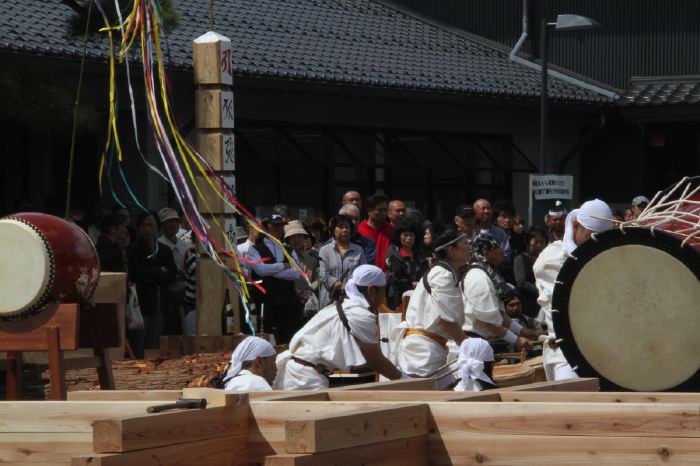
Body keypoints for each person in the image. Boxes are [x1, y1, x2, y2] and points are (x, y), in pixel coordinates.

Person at [274, 265, 403, 390]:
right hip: (303, 380)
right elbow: (376, 361)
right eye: (382, 290)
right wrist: (406, 380)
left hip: (299, 373)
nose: (383, 297)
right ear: (371, 290)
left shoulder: (343, 305)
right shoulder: (360, 314)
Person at [533, 199, 613, 381]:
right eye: (592, 236)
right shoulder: (551, 259)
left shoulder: (610, 257)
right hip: (565, 354)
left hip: (604, 352)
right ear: (576, 226)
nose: (597, 243)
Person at [393, 229, 470, 377]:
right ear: (452, 250)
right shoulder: (442, 274)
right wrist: (467, 345)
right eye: (465, 243)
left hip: (430, 347)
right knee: (425, 394)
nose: (469, 247)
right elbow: (446, 319)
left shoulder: (445, 272)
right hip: (423, 351)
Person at [461, 233, 534, 352]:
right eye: (497, 247)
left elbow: (497, 315)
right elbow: (488, 321)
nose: (502, 251)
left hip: (481, 342)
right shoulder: (478, 277)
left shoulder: (487, 274)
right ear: (486, 253)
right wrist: (517, 340)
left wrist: (522, 331)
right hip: (473, 343)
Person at [127, 211, 177, 358]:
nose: (147, 229)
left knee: (156, 337)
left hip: (160, 298)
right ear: (139, 227)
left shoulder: (164, 250)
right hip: (141, 299)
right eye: (144, 225)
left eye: (151, 225)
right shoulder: (134, 249)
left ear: (157, 227)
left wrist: (152, 273)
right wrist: (158, 271)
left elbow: (171, 273)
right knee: (139, 337)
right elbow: (136, 272)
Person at [247, 214, 303, 343]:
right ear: (266, 228)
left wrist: (271, 271)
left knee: (289, 339)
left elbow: (296, 273)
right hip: (266, 302)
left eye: (280, 226)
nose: (278, 229)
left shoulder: (288, 249)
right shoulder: (255, 249)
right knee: (265, 339)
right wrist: (283, 265)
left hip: (287, 302)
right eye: (275, 226)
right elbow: (260, 270)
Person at [318, 215, 366, 308]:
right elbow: (323, 274)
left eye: (347, 227)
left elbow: (363, 273)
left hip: (352, 300)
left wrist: (350, 287)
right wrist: (336, 283)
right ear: (332, 230)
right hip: (330, 300)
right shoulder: (324, 250)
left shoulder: (359, 250)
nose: (344, 230)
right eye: (340, 227)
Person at [158, 207, 189, 335]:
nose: (173, 224)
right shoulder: (158, 245)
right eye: (169, 222)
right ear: (162, 225)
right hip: (166, 295)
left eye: (175, 221)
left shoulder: (184, 245)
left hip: (185, 294)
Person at [385, 220, 426, 309]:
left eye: (412, 235)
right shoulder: (393, 254)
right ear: (399, 236)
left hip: (419, 298)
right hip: (398, 300)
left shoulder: (420, 254)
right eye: (405, 235)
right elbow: (396, 280)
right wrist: (416, 284)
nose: (409, 238)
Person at [284, 220, 320, 319]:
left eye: (299, 236)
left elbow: (318, 279)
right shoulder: (283, 259)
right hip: (288, 304)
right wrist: (299, 293)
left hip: (308, 306)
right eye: (293, 237)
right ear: (288, 240)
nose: (297, 240)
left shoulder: (312, 260)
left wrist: (309, 291)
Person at [513, 227, 547, 317]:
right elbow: (521, 282)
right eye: (535, 242)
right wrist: (541, 291)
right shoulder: (520, 259)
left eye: (542, 242)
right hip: (529, 303)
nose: (539, 245)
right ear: (528, 244)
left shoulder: (547, 259)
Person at [357, 194, 394, 271]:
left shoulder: (391, 230)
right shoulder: (359, 229)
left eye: (385, 210)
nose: (384, 214)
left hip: (387, 276)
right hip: (365, 274)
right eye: (380, 210)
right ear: (369, 211)